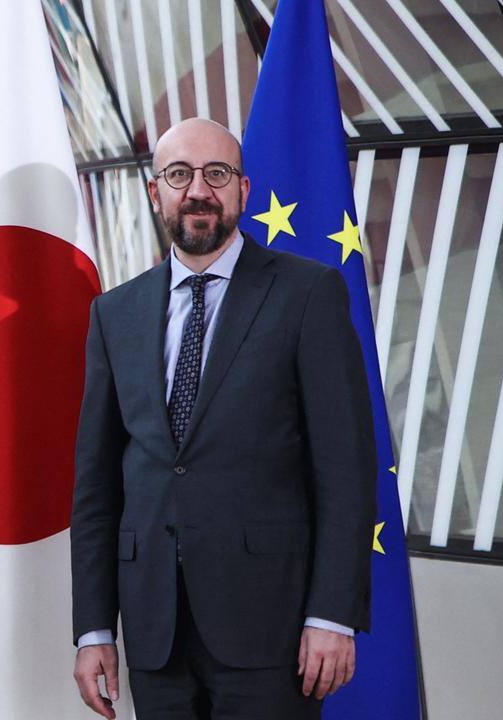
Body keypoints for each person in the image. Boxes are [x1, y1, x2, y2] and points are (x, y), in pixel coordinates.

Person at [70, 118, 375, 720]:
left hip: (273, 631)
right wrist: (94, 629)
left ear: (243, 189)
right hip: (155, 635)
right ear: (155, 192)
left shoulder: (308, 294)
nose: (199, 190)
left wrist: (333, 614)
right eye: (179, 175)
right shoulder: (115, 314)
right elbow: (97, 489)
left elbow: (345, 468)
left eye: (217, 174)